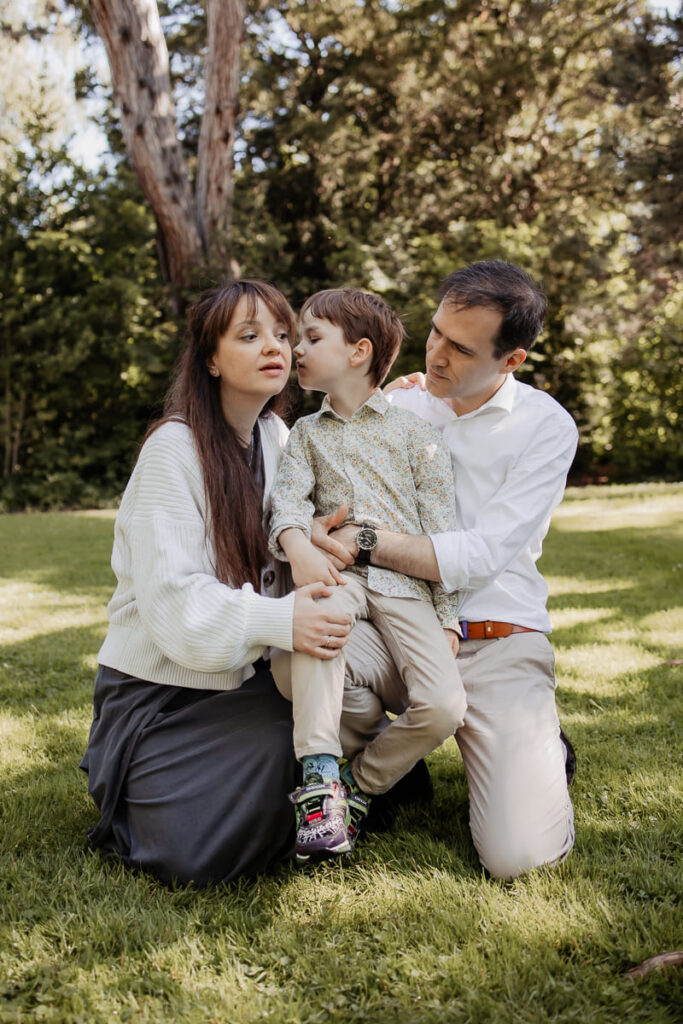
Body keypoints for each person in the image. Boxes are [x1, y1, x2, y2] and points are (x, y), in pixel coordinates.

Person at [80, 279, 363, 887]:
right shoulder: (173, 451)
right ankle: (344, 786)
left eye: (284, 335)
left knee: (333, 709)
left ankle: (345, 784)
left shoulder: (276, 438)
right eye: (250, 335)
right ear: (211, 358)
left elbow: (295, 514)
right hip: (160, 698)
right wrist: (283, 619)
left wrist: (309, 533)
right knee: (194, 850)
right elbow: (174, 606)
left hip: (242, 682)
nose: (276, 347)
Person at [313, 261, 578, 880]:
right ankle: (388, 772)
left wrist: (368, 541)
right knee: (302, 653)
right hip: (400, 632)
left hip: (497, 639)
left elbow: (479, 555)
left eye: (460, 348)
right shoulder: (398, 404)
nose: (435, 355)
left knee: (517, 859)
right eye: (435, 333)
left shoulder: (544, 427)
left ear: (511, 360)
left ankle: (540, 751)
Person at [268, 288, 467, 863]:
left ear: (358, 352)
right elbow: (285, 502)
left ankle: (359, 787)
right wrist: (297, 541)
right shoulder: (306, 434)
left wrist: (449, 618)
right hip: (340, 576)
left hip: (407, 591)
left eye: (310, 338)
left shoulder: (416, 435)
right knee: (316, 624)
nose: (296, 349)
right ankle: (320, 780)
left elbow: (443, 536)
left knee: (444, 707)